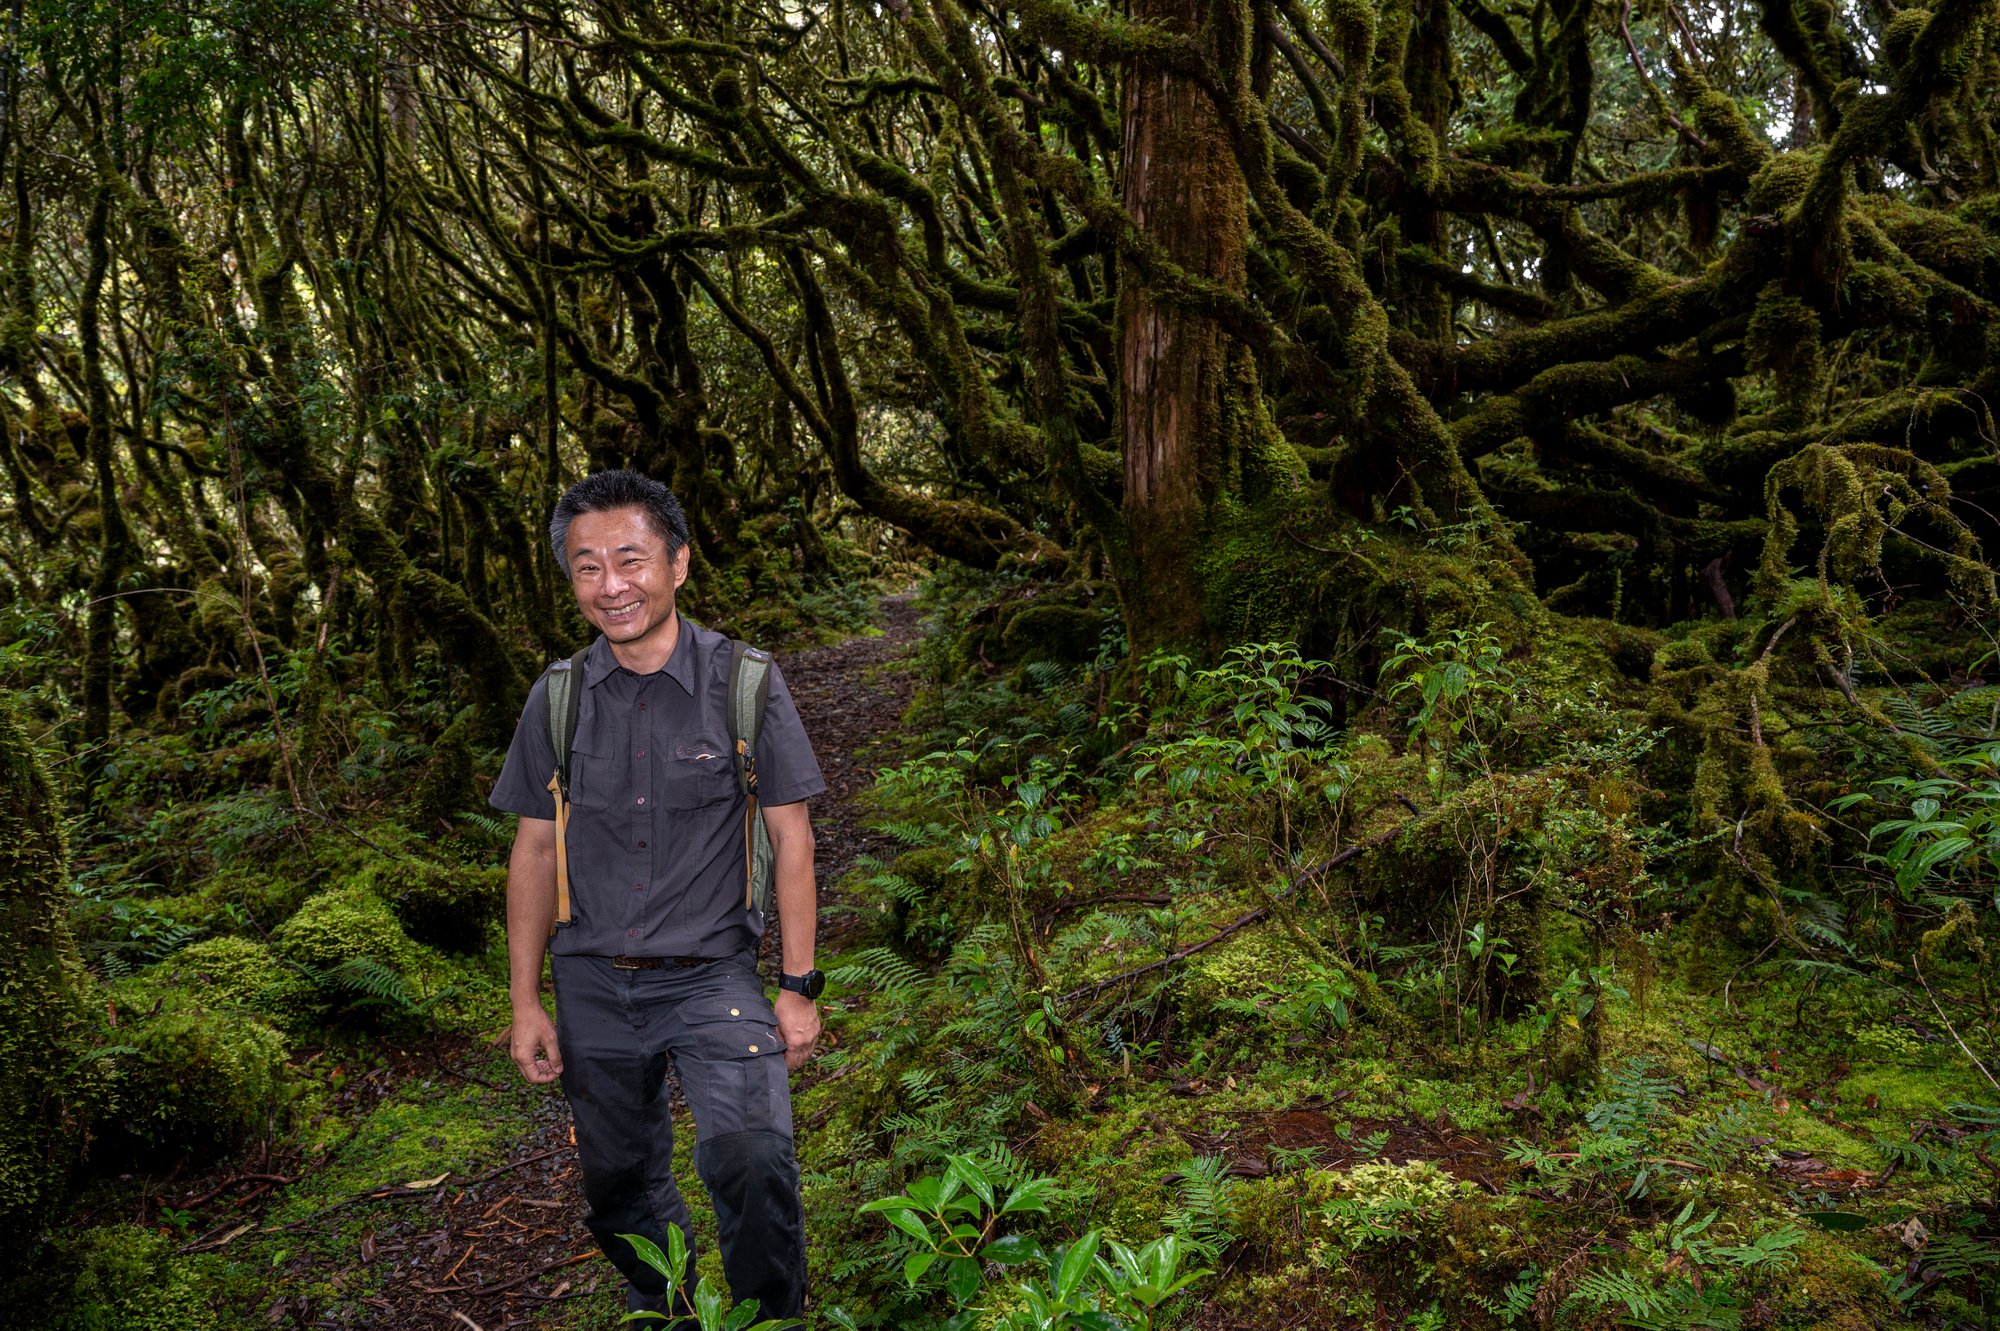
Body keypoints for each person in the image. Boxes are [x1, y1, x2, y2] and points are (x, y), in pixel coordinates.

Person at [488, 470, 827, 1319]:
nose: (612, 585)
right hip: (593, 981)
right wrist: (526, 1001)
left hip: (713, 974)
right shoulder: (557, 699)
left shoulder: (745, 683)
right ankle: (674, 1308)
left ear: (678, 563)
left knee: (752, 1158)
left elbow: (793, 837)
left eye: (630, 559)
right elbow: (532, 847)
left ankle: (765, 1317)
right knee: (618, 1189)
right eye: (587, 566)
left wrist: (797, 986)